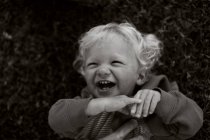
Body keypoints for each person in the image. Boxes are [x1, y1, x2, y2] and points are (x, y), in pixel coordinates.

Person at [48, 22, 203, 140]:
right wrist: (97, 106)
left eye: (115, 62)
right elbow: (56, 119)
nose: (102, 70)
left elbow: (193, 122)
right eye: (93, 64)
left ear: (141, 76)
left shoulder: (156, 97)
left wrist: (161, 101)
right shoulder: (87, 107)